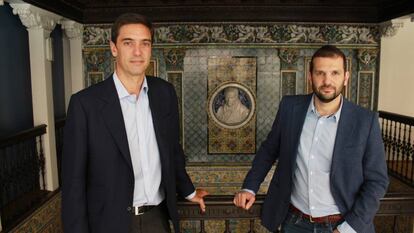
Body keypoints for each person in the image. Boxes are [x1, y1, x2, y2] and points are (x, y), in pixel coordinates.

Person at [61, 13, 208, 233]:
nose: (137, 52)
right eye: (128, 43)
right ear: (114, 48)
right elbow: (73, 184)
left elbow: (172, 150)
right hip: (108, 223)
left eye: (145, 44)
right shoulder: (85, 104)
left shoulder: (164, 93)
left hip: (156, 219)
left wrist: (188, 191)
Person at [233, 45, 388, 233]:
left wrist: (348, 228)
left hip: (342, 224)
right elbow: (269, 150)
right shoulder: (290, 108)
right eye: (320, 73)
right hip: (294, 222)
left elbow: (377, 181)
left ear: (346, 78)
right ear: (310, 76)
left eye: (335, 73)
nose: (327, 81)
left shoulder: (365, 121)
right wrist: (249, 187)